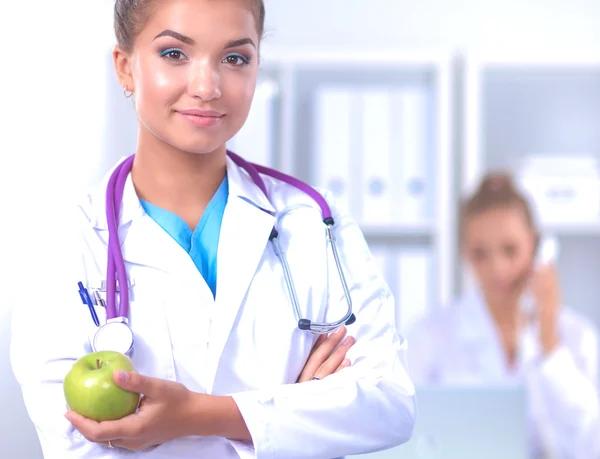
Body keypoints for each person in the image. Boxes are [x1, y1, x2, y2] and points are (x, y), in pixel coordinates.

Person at [9, 0, 417, 458]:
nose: (206, 87)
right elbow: (81, 447)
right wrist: (292, 418)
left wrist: (196, 416)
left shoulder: (316, 222)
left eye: (235, 58)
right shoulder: (67, 242)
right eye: (174, 54)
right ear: (125, 68)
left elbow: (389, 403)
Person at [406, 172, 600, 458]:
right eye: (480, 254)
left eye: (510, 251)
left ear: (536, 247)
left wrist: (549, 345)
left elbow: (590, 446)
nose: (497, 268)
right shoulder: (430, 335)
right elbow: (408, 441)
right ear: (464, 254)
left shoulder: (576, 336)